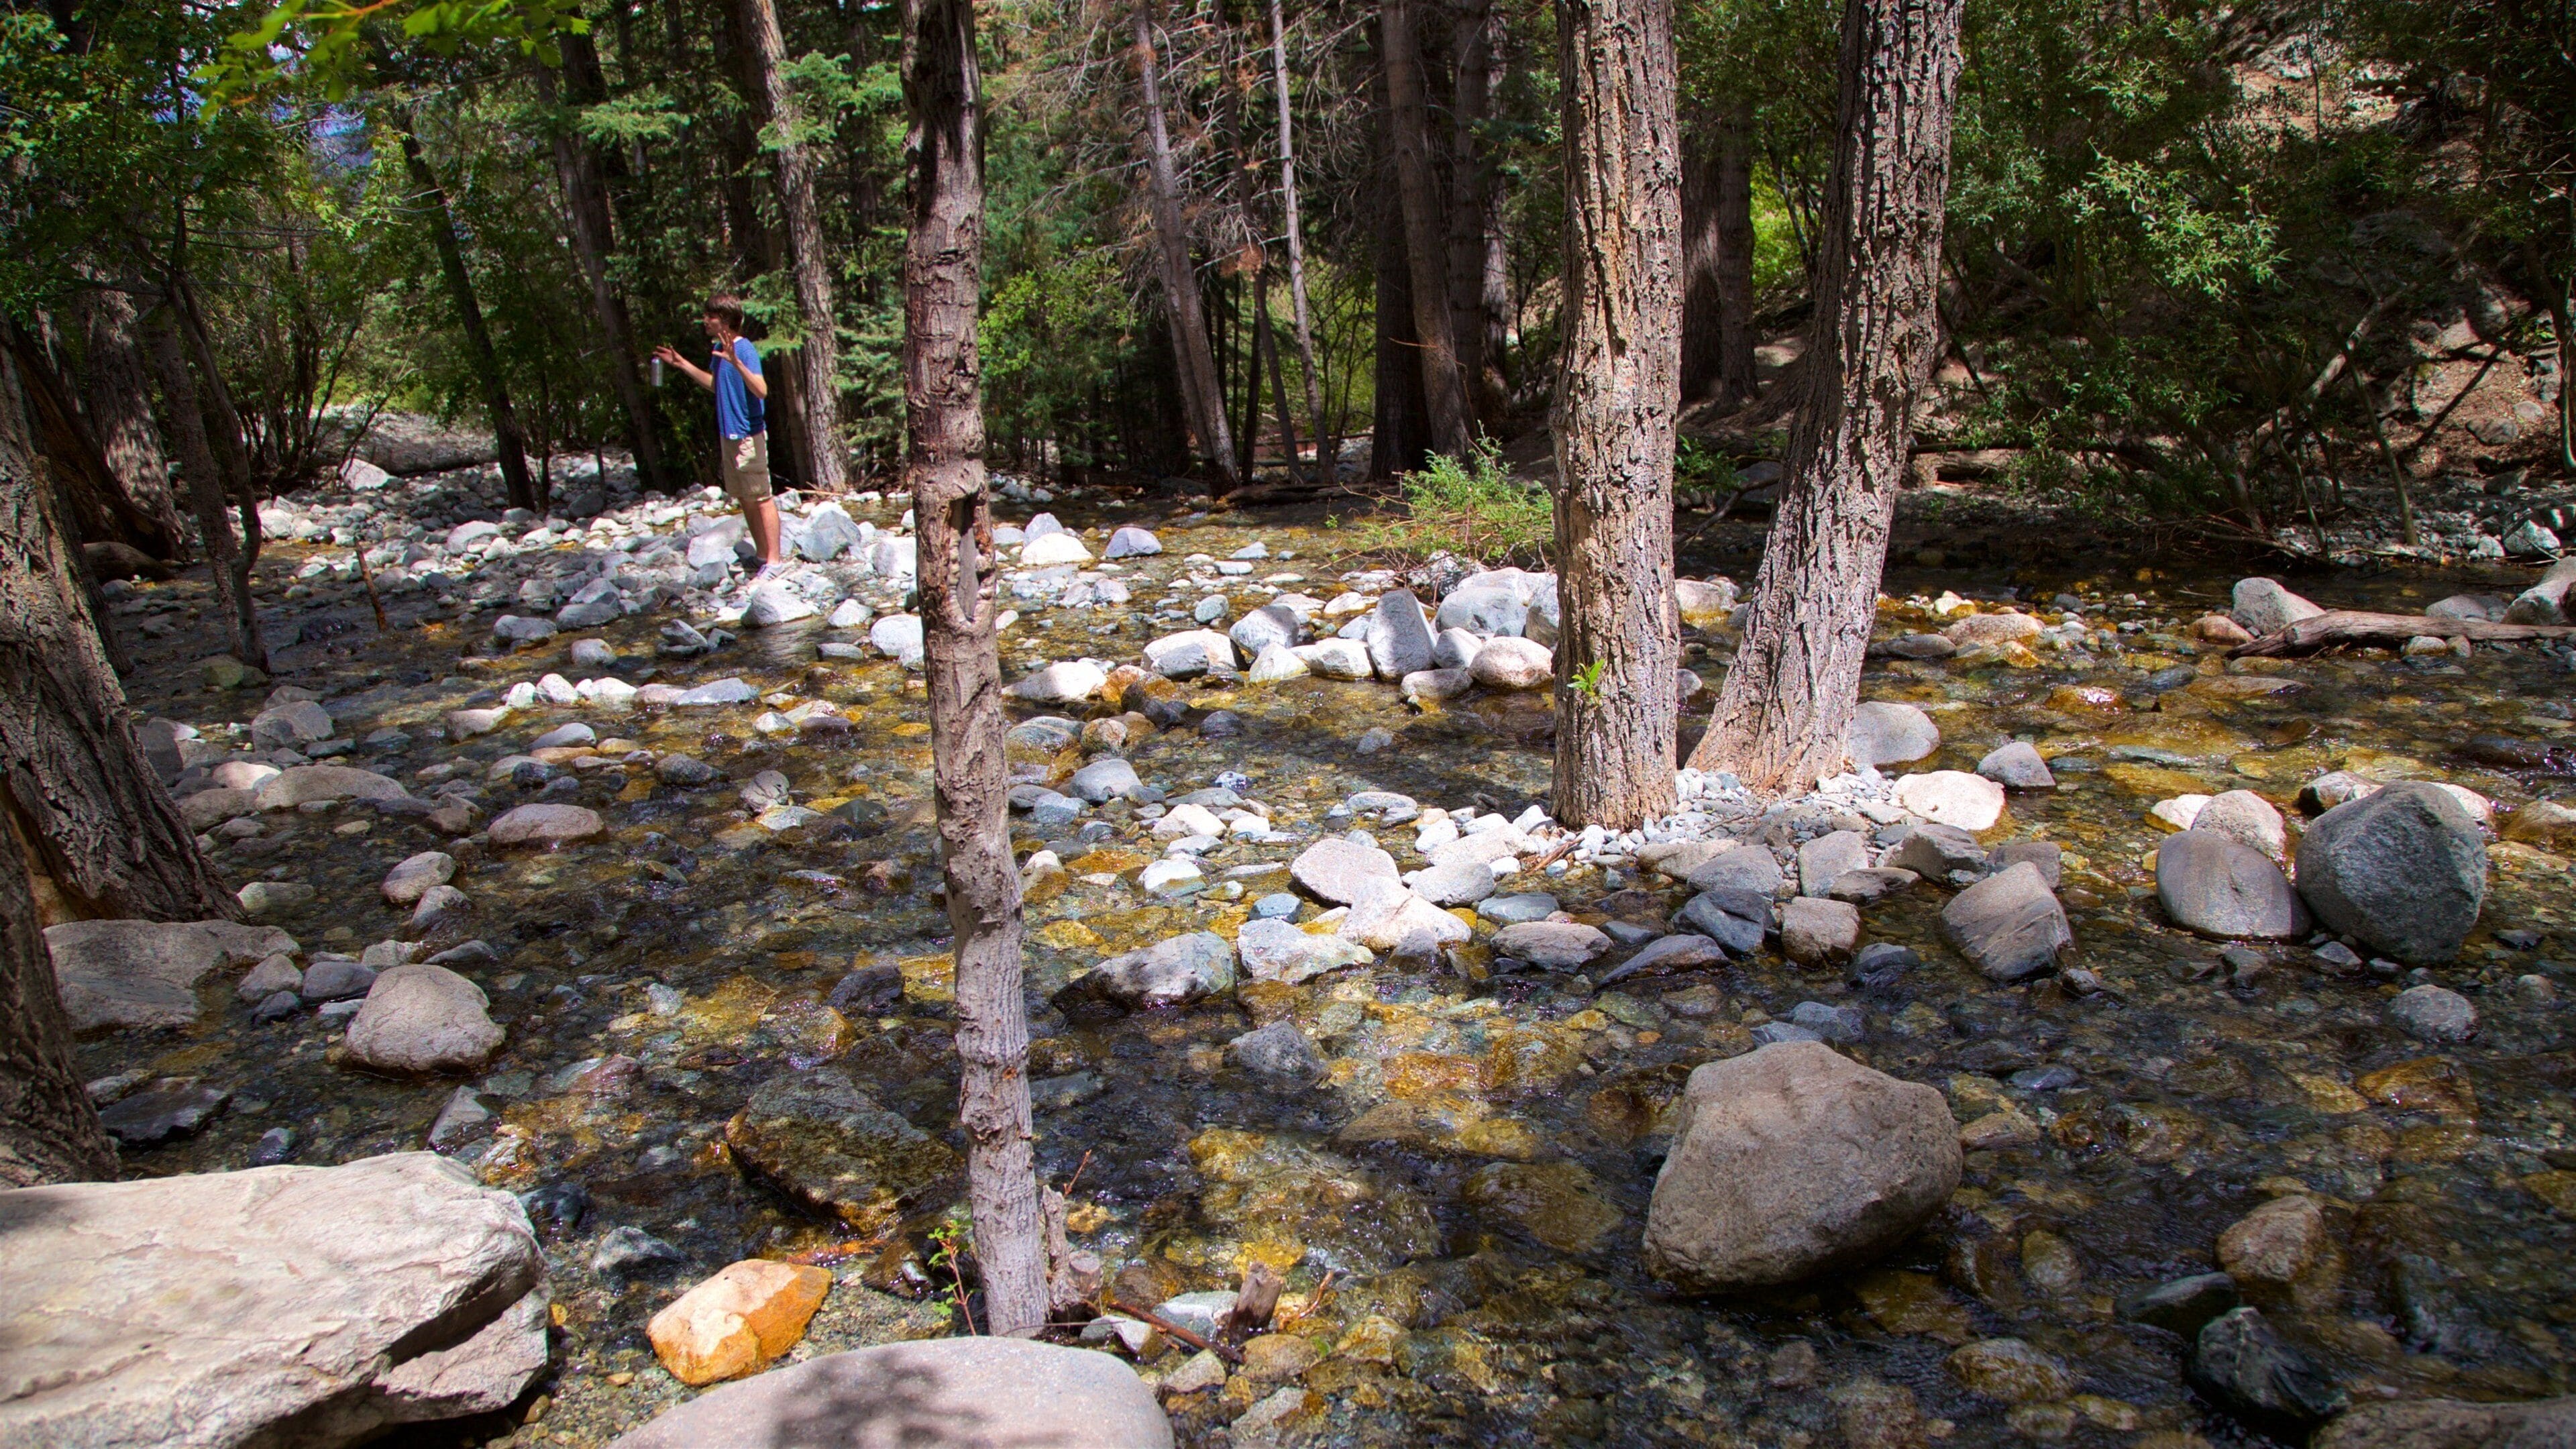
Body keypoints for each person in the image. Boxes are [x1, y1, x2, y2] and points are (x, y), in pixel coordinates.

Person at [653, 294, 782, 584]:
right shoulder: (718, 350)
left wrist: (737, 362)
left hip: (749, 435)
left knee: (761, 498)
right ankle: (761, 555)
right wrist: (682, 364)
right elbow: (716, 386)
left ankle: (775, 561)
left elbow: (761, 390)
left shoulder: (744, 349)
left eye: (708, 316)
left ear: (723, 320)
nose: (704, 321)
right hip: (730, 435)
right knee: (745, 498)